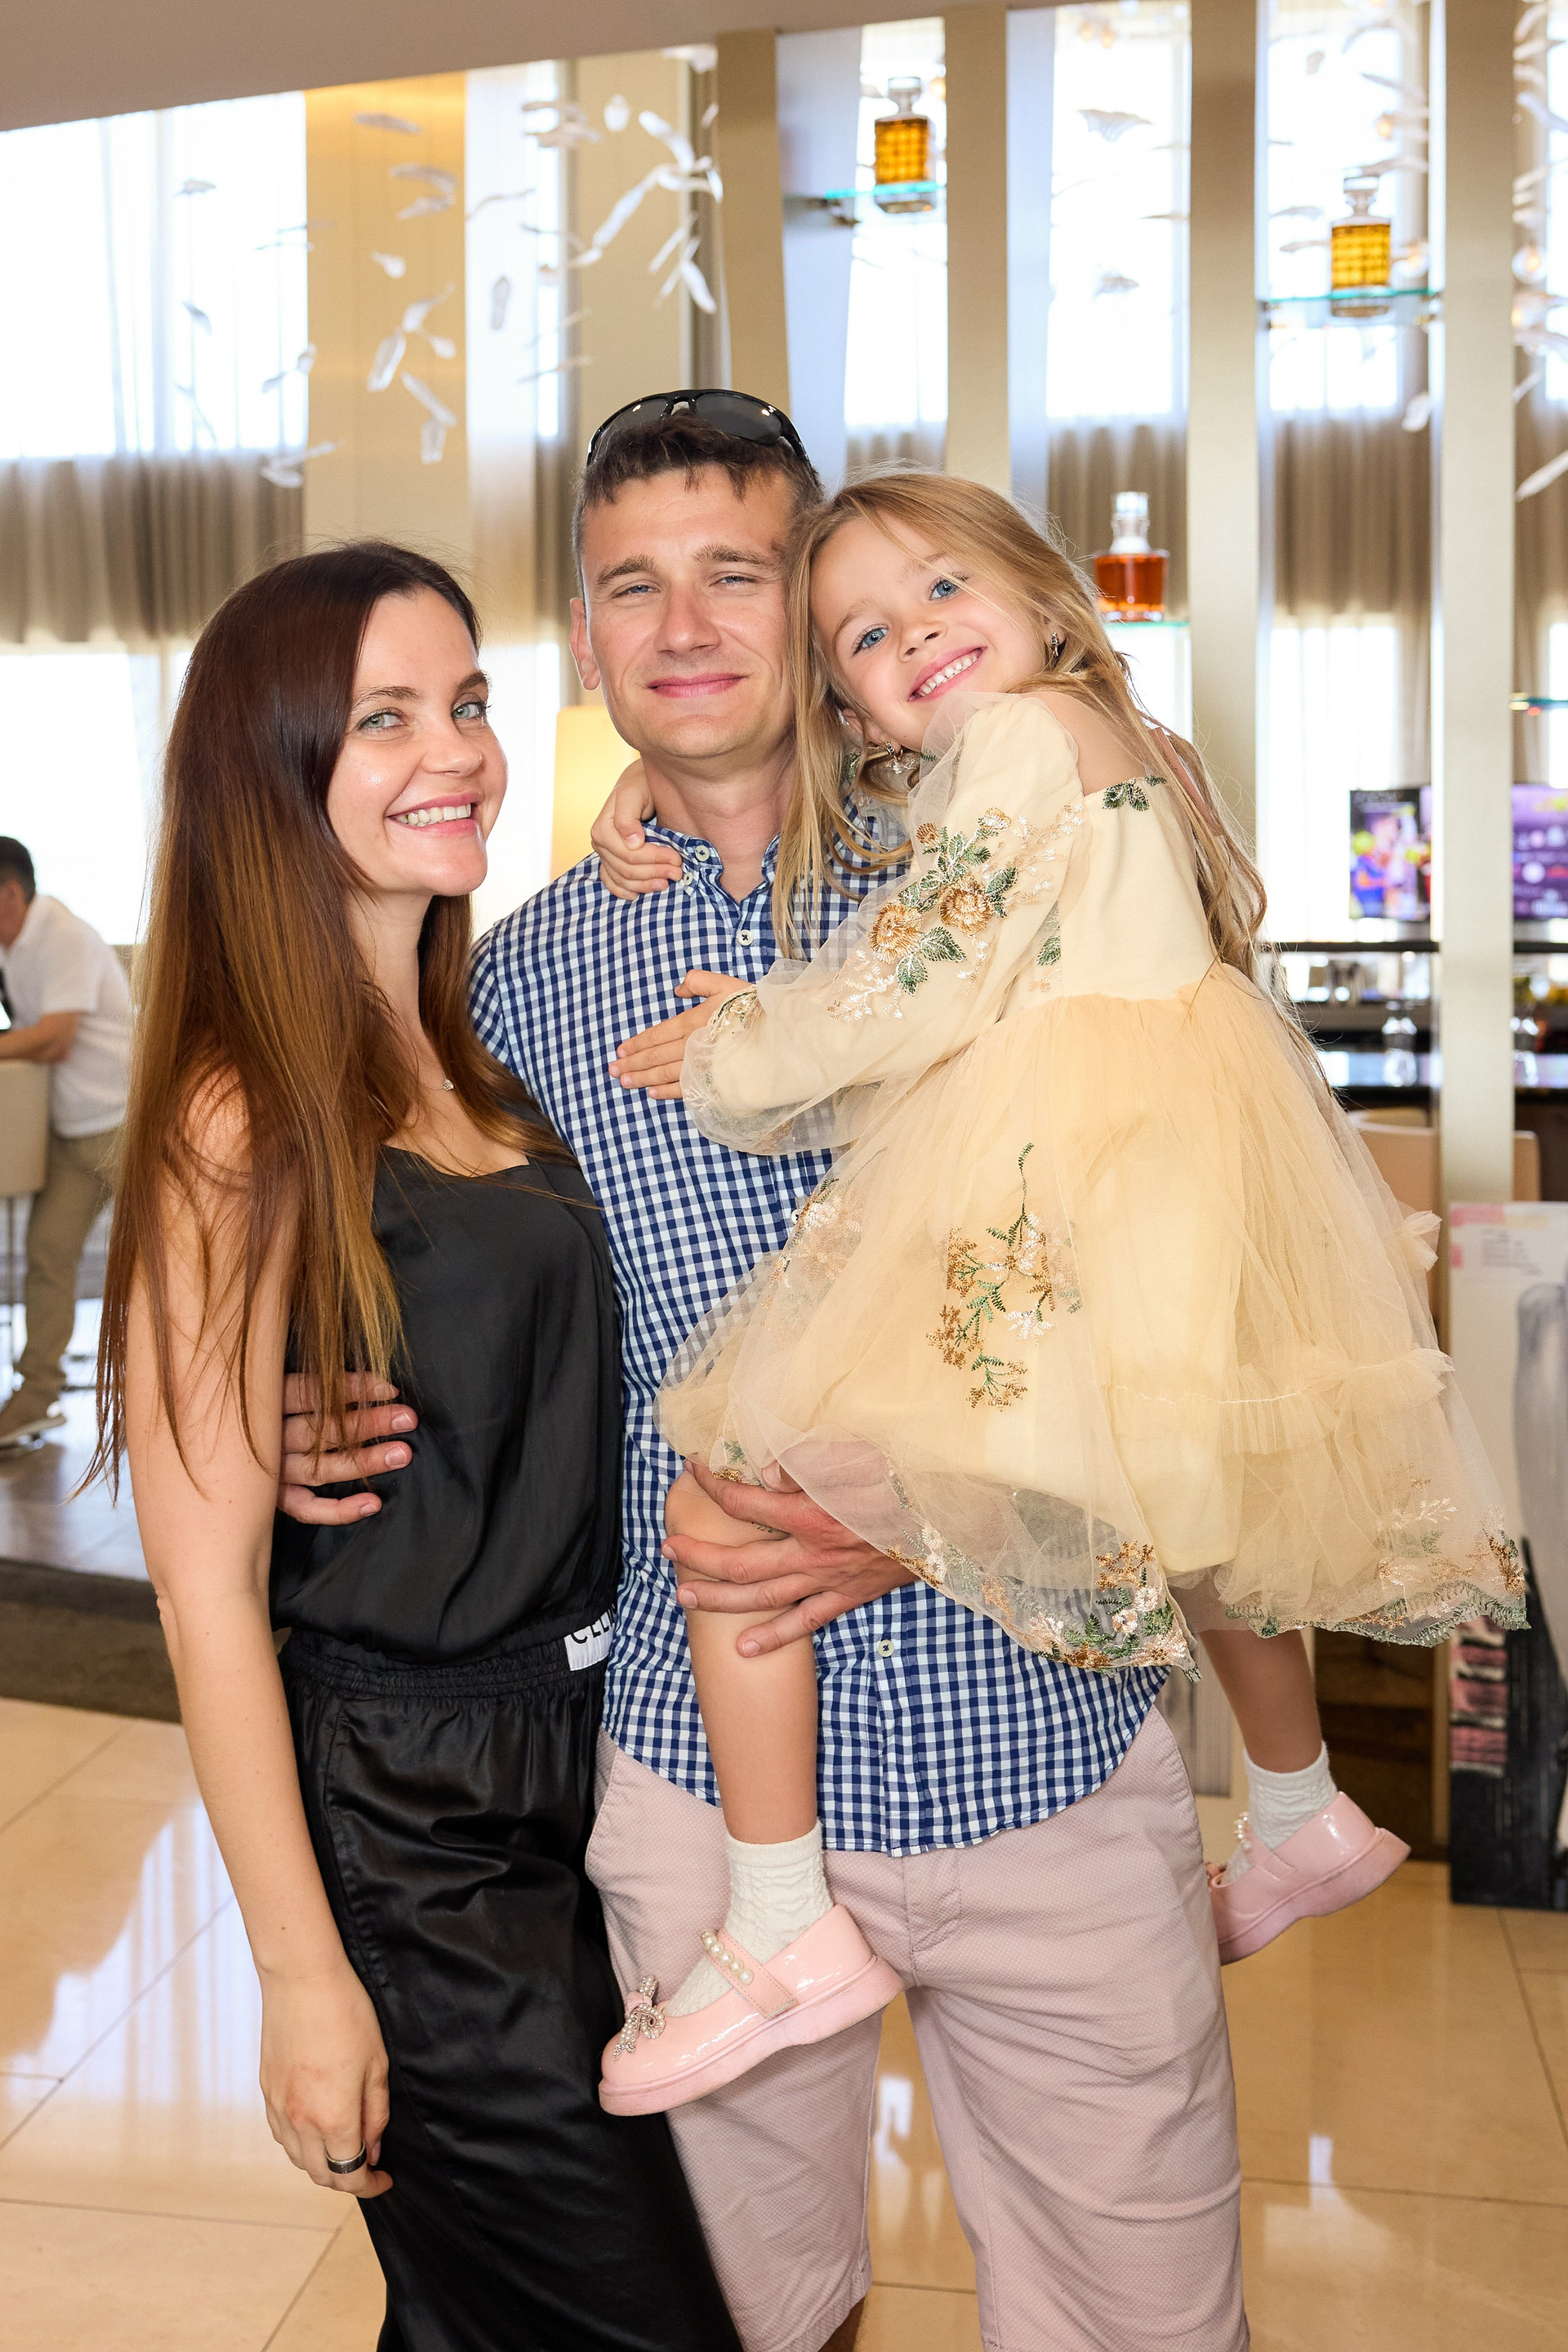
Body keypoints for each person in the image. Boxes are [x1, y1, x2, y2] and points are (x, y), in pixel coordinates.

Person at [282, 401, 1250, 2352]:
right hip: (698, 1795)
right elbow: (449, 1287)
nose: (685, 625)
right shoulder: (511, 980)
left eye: (737, 572)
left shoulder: (1016, 861)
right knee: (739, 2317)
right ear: (583, 633)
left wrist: (928, 1511)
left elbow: (1218, 1255)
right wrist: (311, 1397)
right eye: (632, 585)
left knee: (1139, 2315)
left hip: (1043, 1731)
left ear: (815, 607)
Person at [591, 474, 1522, 1998]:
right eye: (866, 636)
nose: (914, 635)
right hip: (1177, 1192)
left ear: (1039, 591)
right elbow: (955, 884)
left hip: (1074, 1185)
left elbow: (928, 968)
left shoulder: (1021, 741)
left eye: (941, 589)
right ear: (853, 706)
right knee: (1201, 1503)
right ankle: (1296, 1802)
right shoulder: (1126, 742)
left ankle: (774, 1917)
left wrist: (741, 1045)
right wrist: (652, 776)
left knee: (737, 1488)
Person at [95, 543, 740, 2352]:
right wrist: (306, 1978)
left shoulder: (472, 1057)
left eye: (465, 702)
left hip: (577, 1764)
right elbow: (205, 1597)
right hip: (411, 1819)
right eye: (383, 717)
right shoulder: (238, 1111)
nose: (455, 749)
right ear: (273, 766)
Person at [0, 837, 130, 1446]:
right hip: (71, 1133)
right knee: (49, 1256)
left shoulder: (62, 934)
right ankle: (35, 1396)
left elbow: (55, 1039)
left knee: (161, 1262)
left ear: (10, 893)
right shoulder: (11, 951)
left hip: (127, 1127)